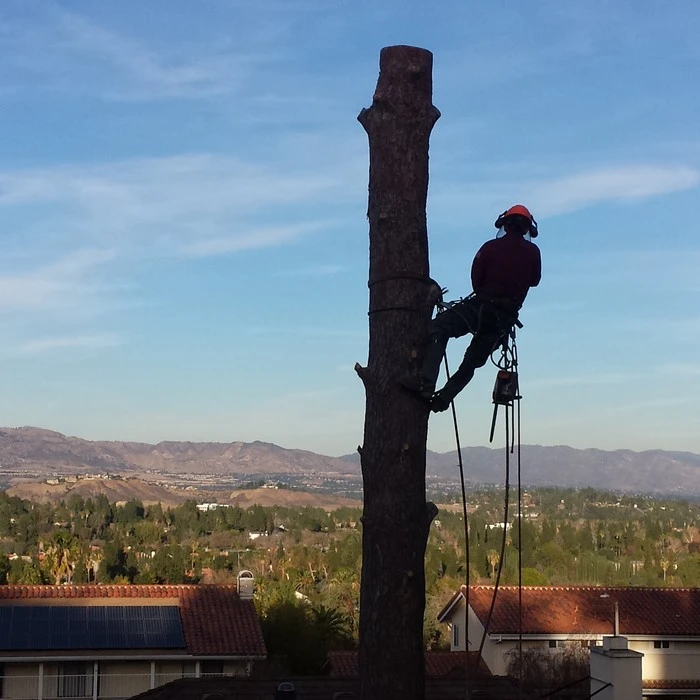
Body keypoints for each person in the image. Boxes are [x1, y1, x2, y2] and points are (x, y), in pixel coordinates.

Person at [403, 204, 542, 412]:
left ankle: (425, 383)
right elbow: (534, 280)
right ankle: (443, 399)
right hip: (503, 319)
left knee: (438, 328)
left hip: (479, 308)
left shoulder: (489, 248)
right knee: (471, 362)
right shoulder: (533, 252)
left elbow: (476, 279)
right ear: (526, 229)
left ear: (506, 224)